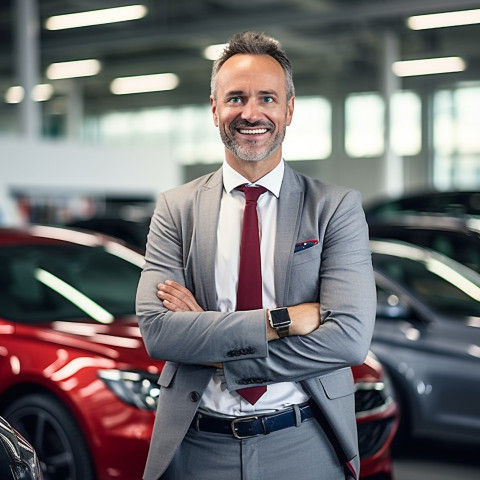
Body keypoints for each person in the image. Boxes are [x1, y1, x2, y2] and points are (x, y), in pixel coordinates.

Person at [136, 30, 376, 480]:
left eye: (267, 98)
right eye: (236, 98)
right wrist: (279, 322)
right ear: (214, 109)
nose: (251, 113)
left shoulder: (334, 207)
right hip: (197, 446)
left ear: (288, 109)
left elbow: (348, 339)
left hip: (305, 443)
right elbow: (160, 334)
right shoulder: (176, 208)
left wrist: (210, 342)